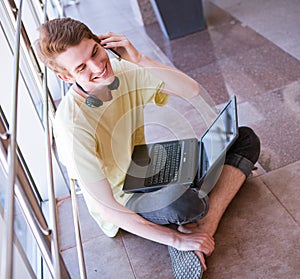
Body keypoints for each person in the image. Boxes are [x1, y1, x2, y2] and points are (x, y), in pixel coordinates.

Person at [35, 17, 260, 278]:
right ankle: (183, 232)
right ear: (65, 76)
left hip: (146, 163)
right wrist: (176, 241)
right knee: (186, 204)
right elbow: (108, 208)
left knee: (244, 138)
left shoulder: (122, 71)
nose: (98, 66)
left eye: (95, 52)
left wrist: (139, 58)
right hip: (124, 198)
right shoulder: (72, 125)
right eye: (82, 67)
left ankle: (202, 229)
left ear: (101, 41)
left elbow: (191, 91)